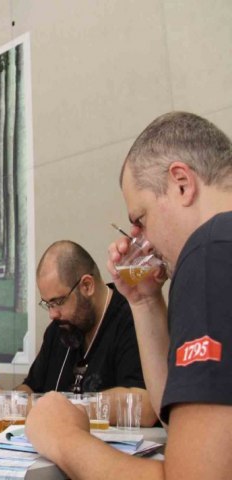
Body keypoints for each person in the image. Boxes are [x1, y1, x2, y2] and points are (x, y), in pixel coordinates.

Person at [26, 112, 232, 478]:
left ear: (182, 183)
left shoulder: (211, 249)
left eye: (141, 218)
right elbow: (181, 427)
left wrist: (63, 438)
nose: (141, 240)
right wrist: (145, 300)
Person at [0, 240, 156, 426]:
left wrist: (65, 409)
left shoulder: (133, 320)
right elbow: (32, 387)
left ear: (87, 286)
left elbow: (145, 405)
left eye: (58, 302)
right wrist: (6, 401)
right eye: (48, 304)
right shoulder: (59, 329)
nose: (52, 314)